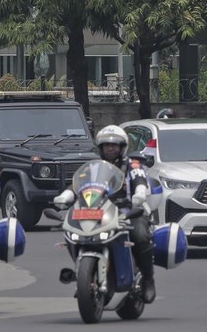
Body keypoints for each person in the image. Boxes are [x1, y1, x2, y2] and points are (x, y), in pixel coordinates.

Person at [53, 125, 156, 303]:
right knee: (73, 232)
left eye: (114, 145)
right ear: (100, 148)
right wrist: (66, 195)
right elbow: (78, 185)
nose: (110, 148)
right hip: (98, 210)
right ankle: (83, 274)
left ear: (122, 147)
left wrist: (140, 192)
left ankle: (148, 279)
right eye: (106, 145)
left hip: (129, 210)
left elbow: (140, 179)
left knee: (139, 235)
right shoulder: (92, 167)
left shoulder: (132, 164)